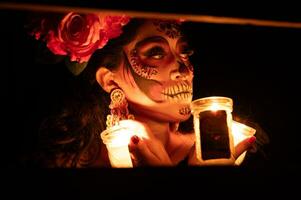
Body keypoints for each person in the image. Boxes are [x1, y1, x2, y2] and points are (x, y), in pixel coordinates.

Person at [29, 12, 266, 168]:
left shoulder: (236, 147)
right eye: (156, 53)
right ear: (109, 80)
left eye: (184, 52)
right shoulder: (72, 162)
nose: (183, 69)